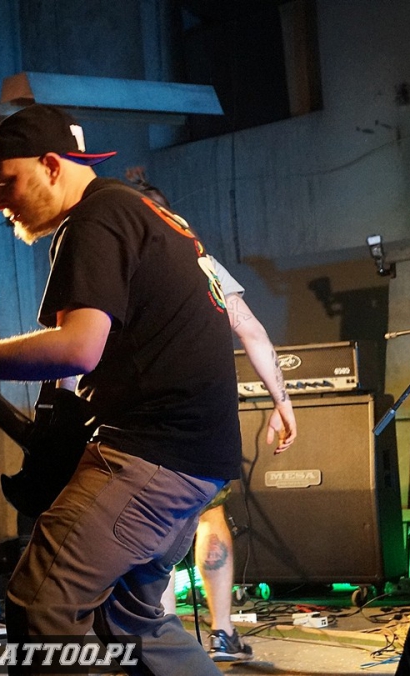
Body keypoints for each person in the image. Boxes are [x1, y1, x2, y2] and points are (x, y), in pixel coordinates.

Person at [0, 104, 242, 675]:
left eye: (7, 182)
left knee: (40, 603)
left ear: (51, 165)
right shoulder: (139, 212)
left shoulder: (95, 219)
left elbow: (78, 348)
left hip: (151, 457)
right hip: (194, 463)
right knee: (132, 620)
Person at [130, 175, 298, 663]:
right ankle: (221, 634)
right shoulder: (201, 260)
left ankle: (166, 641)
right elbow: (252, 330)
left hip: (147, 420)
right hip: (207, 417)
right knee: (208, 514)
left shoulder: (119, 260)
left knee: (155, 526)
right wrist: (282, 402)